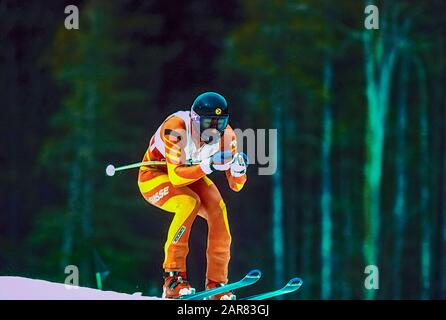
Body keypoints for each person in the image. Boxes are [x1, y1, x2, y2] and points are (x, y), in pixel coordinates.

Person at [138, 92, 248, 300]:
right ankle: (173, 279)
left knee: (218, 209)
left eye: (221, 122)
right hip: (155, 175)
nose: (214, 129)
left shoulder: (227, 136)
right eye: (209, 122)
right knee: (189, 202)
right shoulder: (176, 128)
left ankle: (218, 284)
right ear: (196, 120)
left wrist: (239, 171)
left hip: (192, 173)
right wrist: (208, 164)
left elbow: (236, 186)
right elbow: (177, 178)